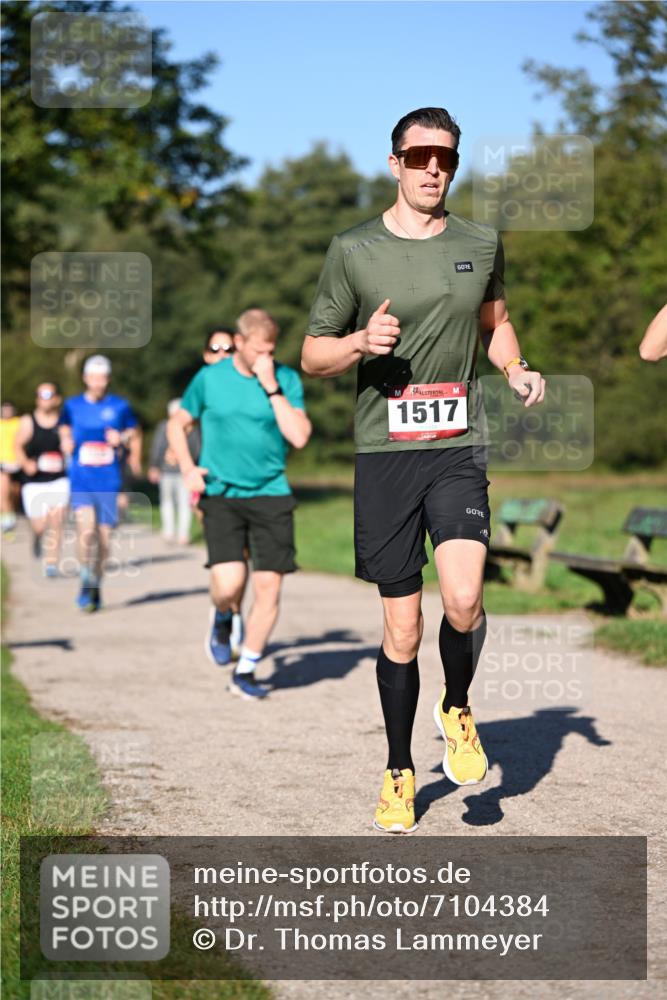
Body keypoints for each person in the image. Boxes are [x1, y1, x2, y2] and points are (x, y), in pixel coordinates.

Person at [301, 107, 545, 833]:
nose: (433, 168)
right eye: (419, 157)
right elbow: (311, 355)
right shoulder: (352, 249)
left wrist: (516, 366)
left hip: (456, 445)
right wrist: (356, 343)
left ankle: (458, 706)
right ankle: (399, 770)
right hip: (384, 456)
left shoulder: (479, 240)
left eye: (445, 157)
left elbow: (494, 321)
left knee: (464, 600)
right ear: (395, 164)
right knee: (402, 633)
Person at [168, 308, 312, 698]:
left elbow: (299, 436)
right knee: (230, 584)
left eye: (272, 350)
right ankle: (223, 614)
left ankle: (246, 668)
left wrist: (272, 388)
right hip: (223, 494)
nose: (267, 357)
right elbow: (176, 424)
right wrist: (187, 468)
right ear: (241, 341)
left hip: (271, 493)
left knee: (269, 589)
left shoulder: (283, 378)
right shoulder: (211, 378)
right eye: (260, 350)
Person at [59, 355, 142, 612]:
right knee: (86, 532)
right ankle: (85, 578)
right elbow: (63, 428)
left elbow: (134, 433)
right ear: (85, 378)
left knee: (105, 539)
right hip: (81, 478)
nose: (98, 383)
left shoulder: (120, 406)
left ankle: (96, 582)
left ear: (108, 379)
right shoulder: (72, 406)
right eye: (93, 377)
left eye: (102, 377)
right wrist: (65, 442)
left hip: (110, 480)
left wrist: (124, 439)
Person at [14, 382, 69, 575]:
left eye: (49, 395)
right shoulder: (28, 421)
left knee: (57, 520)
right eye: (41, 395)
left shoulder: (63, 422)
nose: (45, 399)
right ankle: (37, 536)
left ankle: (51, 563)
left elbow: (70, 444)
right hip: (34, 482)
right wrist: (25, 463)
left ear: (57, 399)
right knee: (40, 524)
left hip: (59, 479)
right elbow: (17, 445)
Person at [148, 398, 200, 545]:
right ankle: (169, 531)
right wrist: (154, 466)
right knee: (167, 502)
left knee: (184, 503)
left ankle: (182, 534)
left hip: (185, 472)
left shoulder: (193, 429)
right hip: (166, 472)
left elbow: (197, 450)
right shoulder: (164, 427)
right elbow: (157, 447)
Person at [0, 401, 21, 533]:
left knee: (14, 493)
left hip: (17, 463)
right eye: (4, 410)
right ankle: (7, 524)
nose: (6, 412)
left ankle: (10, 515)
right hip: (2, 463)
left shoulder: (19, 423)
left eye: (9, 409)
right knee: (3, 494)